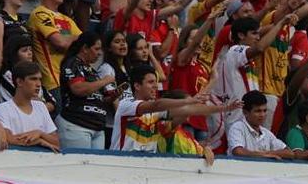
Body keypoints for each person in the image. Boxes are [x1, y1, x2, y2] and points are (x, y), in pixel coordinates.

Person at [112, 67, 240, 152]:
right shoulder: (126, 105)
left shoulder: (156, 112)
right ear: (137, 86)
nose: (156, 86)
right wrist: (188, 100)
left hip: (147, 164)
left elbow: (190, 110)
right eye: (150, 82)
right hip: (122, 161)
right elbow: (157, 104)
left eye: (156, 82)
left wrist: (225, 108)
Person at [28, 0, 81, 100]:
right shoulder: (39, 13)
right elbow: (60, 42)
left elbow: (84, 43)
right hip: (51, 81)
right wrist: (74, 38)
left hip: (69, 79)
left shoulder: (67, 19)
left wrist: (72, 40)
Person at [57, 31, 110, 149]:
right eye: (96, 49)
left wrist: (114, 95)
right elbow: (78, 88)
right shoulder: (72, 63)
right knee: (78, 166)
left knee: (95, 167)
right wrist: (104, 81)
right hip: (76, 125)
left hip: (98, 128)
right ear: (85, 48)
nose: (99, 53)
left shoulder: (91, 70)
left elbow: (98, 98)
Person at [0, 61, 59, 151]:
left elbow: (57, 142)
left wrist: (40, 134)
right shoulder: (2, 109)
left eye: (39, 79)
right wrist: (39, 141)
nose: (38, 84)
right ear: (19, 82)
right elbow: (8, 139)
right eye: (33, 79)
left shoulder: (41, 107)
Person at [228, 90, 294, 159]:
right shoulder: (237, 127)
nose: (262, 115)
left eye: (264, 111)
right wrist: (263, 155)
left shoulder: (267, 133)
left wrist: (266, 153)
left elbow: (290, 153)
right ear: (245, 112)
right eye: (258, 111)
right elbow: (238, 152)